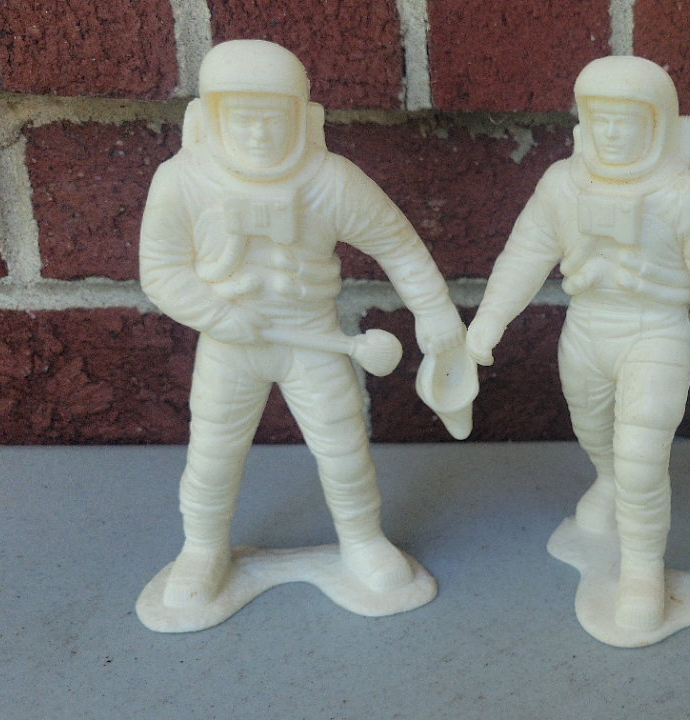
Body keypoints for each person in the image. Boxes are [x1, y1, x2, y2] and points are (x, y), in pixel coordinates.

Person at [139, 40, 465, 609]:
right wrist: (219, 316)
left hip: (313, 337)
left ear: (301, 117)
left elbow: (398, 244)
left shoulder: (330, 181)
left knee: (343, 446)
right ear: (210, 117)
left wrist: (435, 312)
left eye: (273, 118)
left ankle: (362, 540)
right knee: (213, 451)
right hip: (230, 345)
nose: (258, 134)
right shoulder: (182, 181)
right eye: (242, 118)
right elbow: (161, 271)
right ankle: (202, 548)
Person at [465, 56, 690, 631]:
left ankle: (643, 570)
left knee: (642, 459)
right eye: (600, 120)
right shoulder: (562, 183)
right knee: (595, 433)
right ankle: (608, 483)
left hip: (655, 333)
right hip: (585, 330)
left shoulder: (684, 195)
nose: (611, 134)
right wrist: (488, 322)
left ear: (658, 125)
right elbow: (525, 254)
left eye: (626, 121)